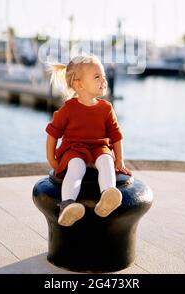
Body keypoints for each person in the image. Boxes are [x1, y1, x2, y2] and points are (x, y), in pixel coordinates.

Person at [45, 54, 132, 227]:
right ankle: (67, 204)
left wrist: (119, 160)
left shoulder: (106, 108)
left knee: (107, 160)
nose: (104, 81)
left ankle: (107, 196)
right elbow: (53, 133)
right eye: (97, 77)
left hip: (99, 147)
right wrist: (51, 159)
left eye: (104, 77)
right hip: (74, 149)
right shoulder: (68, 109)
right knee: (76, 167)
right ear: (79, 85)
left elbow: (115, 135)